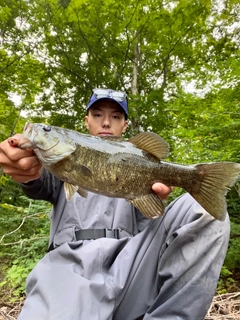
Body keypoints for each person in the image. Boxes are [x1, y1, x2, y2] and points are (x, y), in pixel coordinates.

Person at [0, 88, 230, 320]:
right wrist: (24, 169)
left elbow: (153, 216)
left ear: (125, 125)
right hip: (68, 270)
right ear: (86, 121)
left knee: (201, 210)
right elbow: (33, 179)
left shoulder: (137, 155)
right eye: (98, 114)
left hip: (130, 266)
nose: (107, 122)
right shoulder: (55, 165)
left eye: (116, 116)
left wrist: (153, 197)